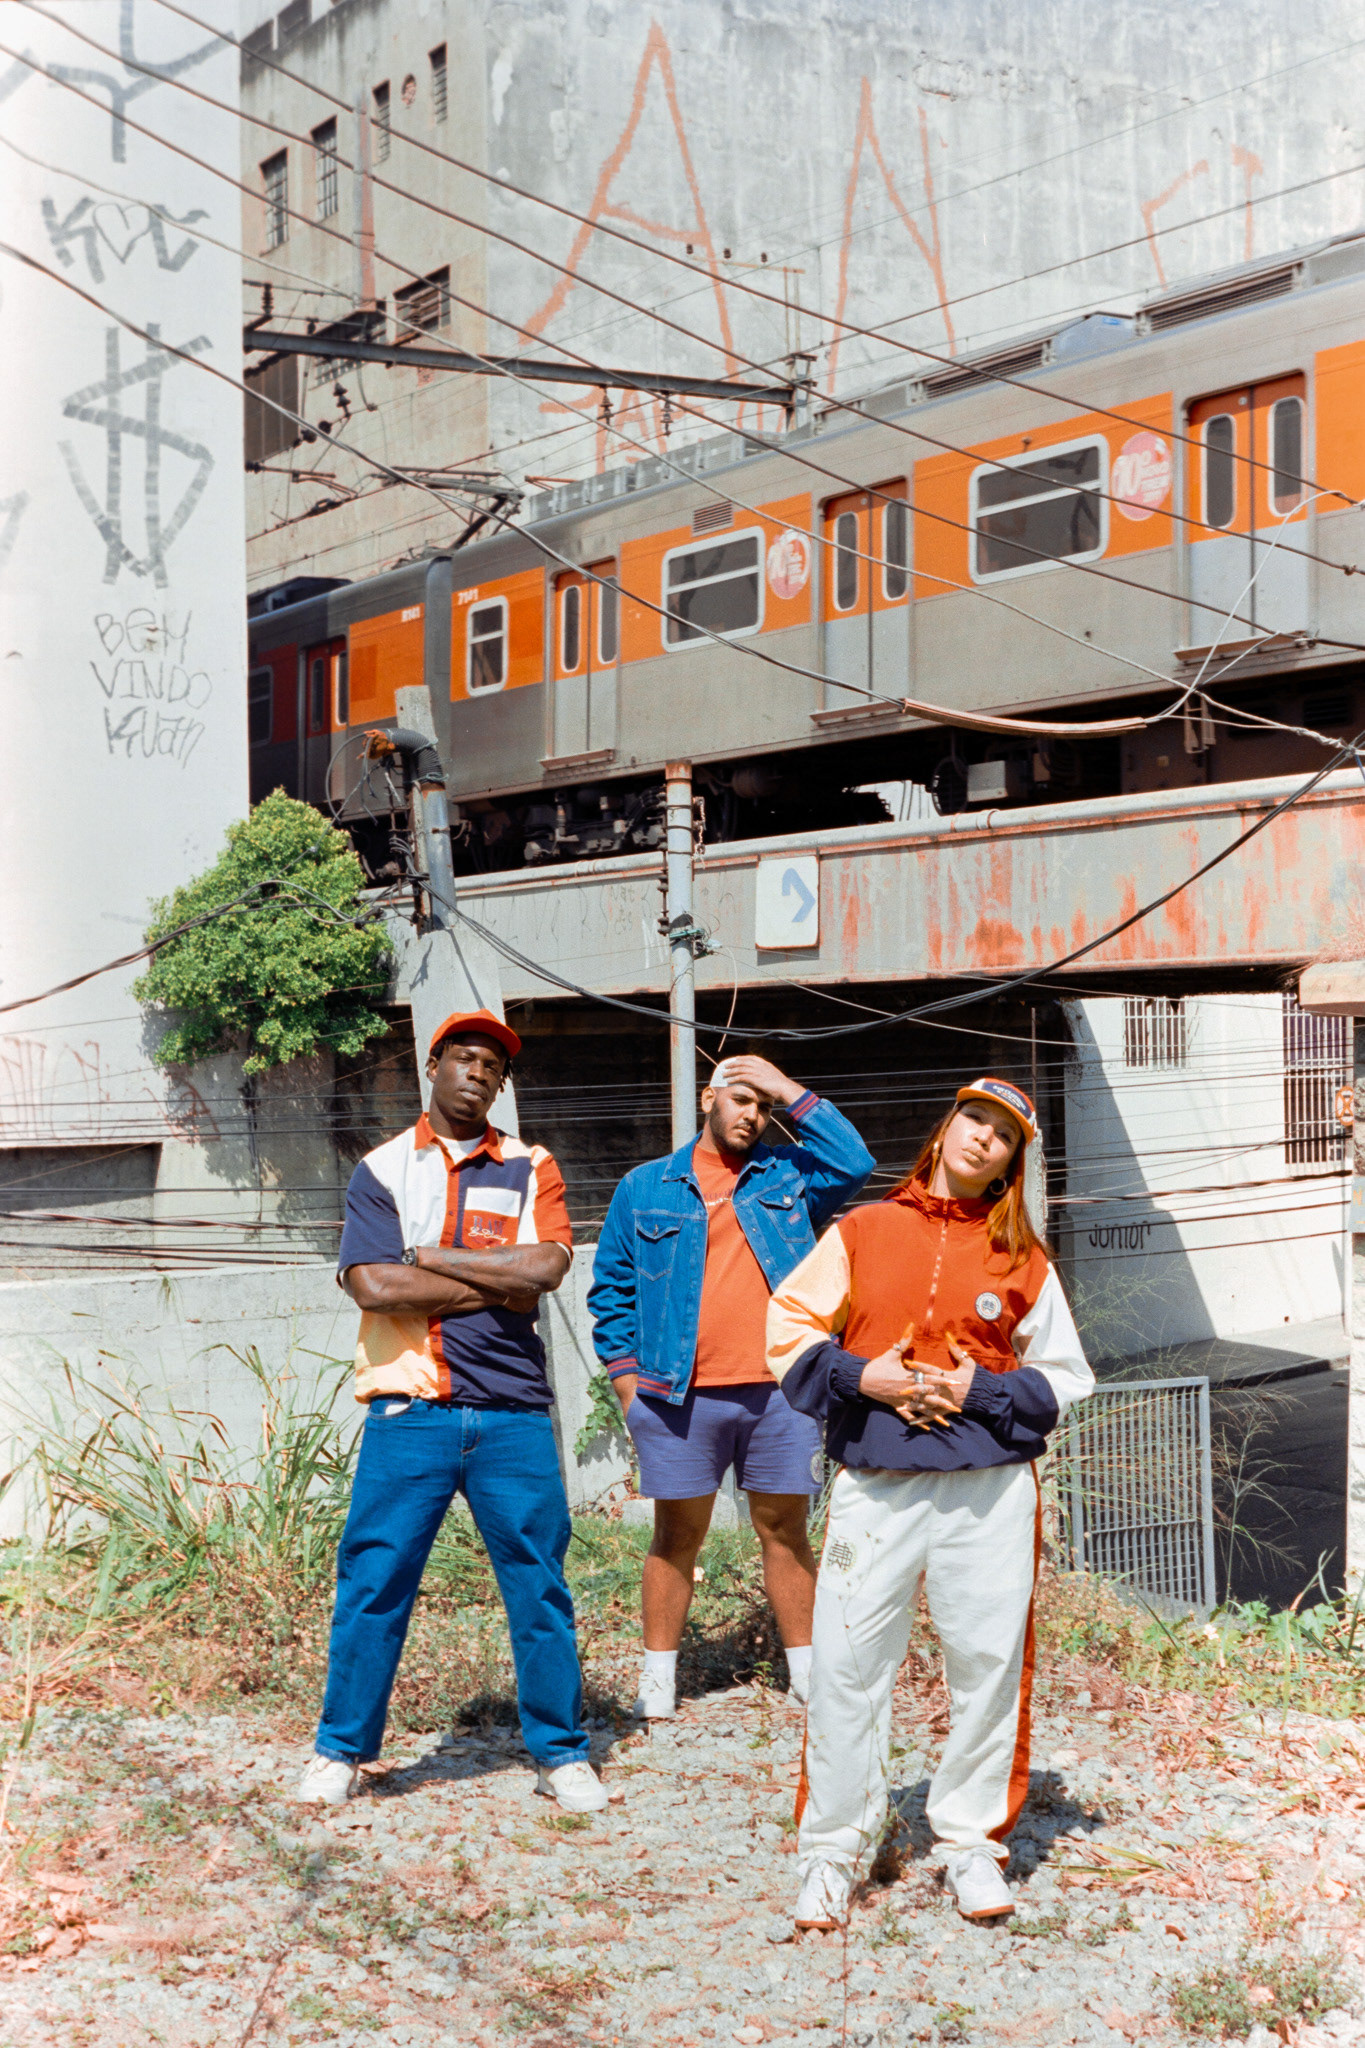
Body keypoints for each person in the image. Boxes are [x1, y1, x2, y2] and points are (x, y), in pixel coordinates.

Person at [766, 1077, 1093, 1928]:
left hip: (988, 1493)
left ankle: (970, 1844)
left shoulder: (1021, 1257)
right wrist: (860, 1376)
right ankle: (831, 1852)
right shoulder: (864, 1230)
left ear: (1012, 1163)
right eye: (973, 1119)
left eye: (1003, 1135)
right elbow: (788, 1326)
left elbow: (1064, 1378)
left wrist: (981, 1390)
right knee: (845, 1666)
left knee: (986, 1666)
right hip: (876, 1487)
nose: (982, 1138)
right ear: (946, 1127)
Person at [296, 1009, 607, 1815]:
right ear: (432, 1067)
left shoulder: (531, 1165)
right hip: (411, 1409)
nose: (477, 1073)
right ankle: (339, 1751)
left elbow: (545, 1270)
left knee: (538, 1587)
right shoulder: (384, 1168)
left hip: (513, 1414)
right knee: (374, 1582)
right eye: (464, 1058)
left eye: (492, 1067)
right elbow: (374, 1285)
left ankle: (560, 1754)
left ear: (501, 1085)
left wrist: (432, 1259)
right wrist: (497, 1281)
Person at [589, 1055, 874, 1721]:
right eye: (742, 1099)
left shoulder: (787, 1177)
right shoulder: (645, 1187)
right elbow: (612, 1292)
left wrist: (788, 1089)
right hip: (678, 1396)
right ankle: (658, 1681)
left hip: (779, 1392)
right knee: (676, 1535)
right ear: (708, 1099)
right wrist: (628, 1390)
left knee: (785, 1530)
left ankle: (807, 1674)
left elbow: (854, 1162)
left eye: (764, 1106)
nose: (753, 1115)